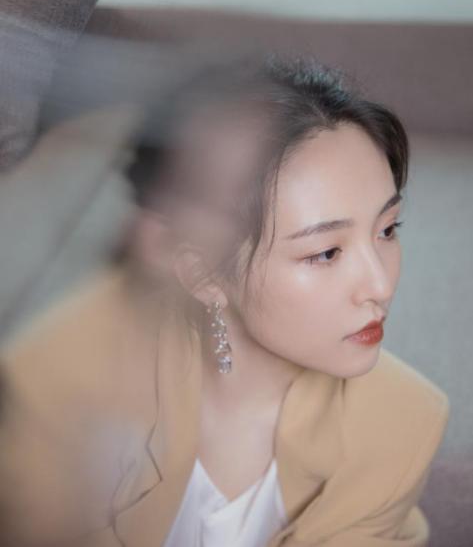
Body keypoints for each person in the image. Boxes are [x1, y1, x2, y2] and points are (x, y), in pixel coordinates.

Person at [0, 55, 449, 547]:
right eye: (326, 252)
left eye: (388, 229)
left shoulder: (402, 422)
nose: (380, 285)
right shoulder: (63, 380)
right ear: (203, 274)